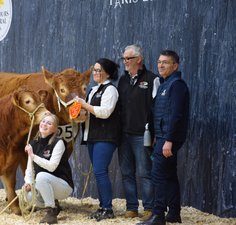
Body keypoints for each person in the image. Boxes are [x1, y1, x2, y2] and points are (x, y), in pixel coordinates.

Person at [137, 50, 189, 225]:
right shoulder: (165, 84)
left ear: (175, 66)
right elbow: (159, 114)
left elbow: (176, 115)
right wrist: (155, 136)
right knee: (169, 175)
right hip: (162, 137)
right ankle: (174, 214)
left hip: (169, 138)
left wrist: (169, 140)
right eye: (159, 62)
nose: (160, 65)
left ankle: (158, 215)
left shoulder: (177, 85)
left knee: (157, 175)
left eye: (165, 62)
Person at [117, 44, 160, 220]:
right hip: (123, 134)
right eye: (124, 59)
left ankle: (149, 208)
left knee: (145, 172)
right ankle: (132, 207)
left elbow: (158, 108)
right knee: (127, 172)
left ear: (139, 59)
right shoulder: (123, 80)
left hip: (143, 134)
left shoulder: (152, 79)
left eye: (129, 58)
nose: (125, 62)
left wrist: (156, 132)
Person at [75, 58, 120, 222]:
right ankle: (103, 206)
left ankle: (108, 208)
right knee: (99, 172)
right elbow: (90, 113)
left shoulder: (111, 90)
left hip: (106, 136)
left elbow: (105, 112)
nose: (95, 73)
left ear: (107, 72)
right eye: (94, 70)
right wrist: (79, 113)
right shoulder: (93, 90)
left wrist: (84, 106)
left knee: (100, 171)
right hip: (93, 136)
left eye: (99, 70)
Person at [23, 112, 74, 224]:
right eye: (43, 121)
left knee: (41, 177)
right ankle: (54, 204)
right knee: (30, 196)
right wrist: (28, 182)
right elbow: (29, 169)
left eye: (49, 123)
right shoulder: (33, 143)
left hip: (63, 186)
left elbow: (51, 167)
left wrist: (33, 156)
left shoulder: (58, 142)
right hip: (46, 183)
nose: (45, 124)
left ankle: (51, 213)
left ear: (54, 129)